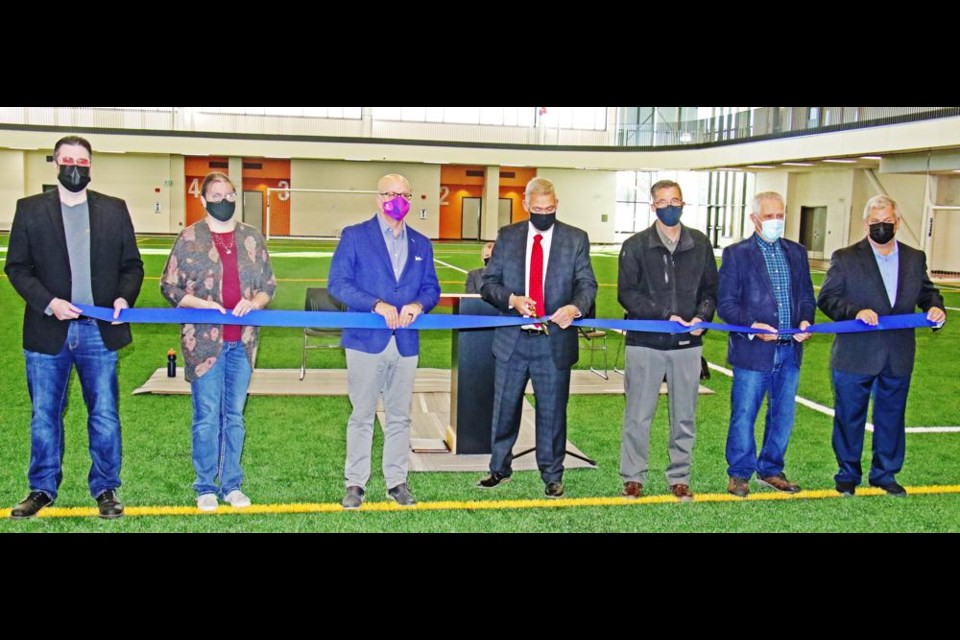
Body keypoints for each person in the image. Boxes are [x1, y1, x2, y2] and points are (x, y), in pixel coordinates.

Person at [5, 135, 144, 520]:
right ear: (55, 163)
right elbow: (16, 267)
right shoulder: (29, 210)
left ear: (91, 166)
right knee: (45, 414)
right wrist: (48, 303)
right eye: (67, 160)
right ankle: (41, 488)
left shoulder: (114, 210)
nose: (74, 167)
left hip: (99, 331)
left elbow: (131, 266)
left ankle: (105, 487)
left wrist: (122, 298)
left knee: (104, 414)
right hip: (47, 331)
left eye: (82, 161)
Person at [161, 172, 276, 512]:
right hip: (204, 345)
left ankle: (232, 484)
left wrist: (253, 303)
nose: (223, 200)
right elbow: (169, 287)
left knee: (235, 416)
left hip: (242, 343)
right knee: (207, 416)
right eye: (216, 194)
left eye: (229, 194)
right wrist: (204, 305)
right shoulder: (189, 237)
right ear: (203, 198)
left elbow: (268, 285)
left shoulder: (252, 238)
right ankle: (205, 486)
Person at [477, 177, 598, 498]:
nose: (544, 213)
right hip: (512, 341)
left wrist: (574, 307)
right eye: (537, 209)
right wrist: (512, 299)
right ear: (526, 206)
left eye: (550, 208)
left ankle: (552, 473)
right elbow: (488, 284)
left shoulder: (575, 239)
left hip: (553, 341)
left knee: (553, 411)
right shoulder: (508, 237)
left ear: (556, 205)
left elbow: (587, 284)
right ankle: (499, 467)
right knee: (504, 408)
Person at [818, 194, 945, 497]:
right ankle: (847, 474)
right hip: (854, 353)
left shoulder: (915, 258)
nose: (881, 227)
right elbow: (827, 298)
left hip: (898, 354)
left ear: (898, 222)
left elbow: (927, 293)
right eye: (875, 222)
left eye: (887, 222)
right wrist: (855, 312)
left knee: (891, 416)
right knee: (849, 416)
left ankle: (885, 474)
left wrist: (935, 307)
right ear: (865, 224)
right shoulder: (845, 257)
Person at [328, 174, 441, 509]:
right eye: (392, 194)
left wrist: (419, 305)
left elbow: (432, 288)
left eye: (405, 194)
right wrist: (376, 304)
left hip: (405, 342)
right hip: (366, 340)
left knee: (399, 416)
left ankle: (397, 481)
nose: (399, 200)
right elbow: (338, 284)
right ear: (378, 198)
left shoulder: (422, 243)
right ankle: (355, 483)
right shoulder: (354, 236)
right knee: (361, 414)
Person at [618, 180, 718, 502]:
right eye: (662, 201)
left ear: (683, 203)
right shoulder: (635, 246)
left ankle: (680, 476)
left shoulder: (700, 244)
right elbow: (627, 294)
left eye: (675, 200)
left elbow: (710, 291)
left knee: (684, 415)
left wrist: (702, 317)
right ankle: (633, 476)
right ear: (653, 206)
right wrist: (665, 315)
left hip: (687, 345)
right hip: (645, 342)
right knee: (638, 414)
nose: (669, 206)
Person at [717, 192, 816, 498]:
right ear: (754, 219)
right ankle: (740, 473)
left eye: (780, 215)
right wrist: (752, 327)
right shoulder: (736, 254)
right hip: (753, 351)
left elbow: (806, 297)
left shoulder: (796, 252)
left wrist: (804, 322)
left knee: (783, 414)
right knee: (744, 412)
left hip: (789, 350)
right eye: (769, 216)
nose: (776, 221)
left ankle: (772, 469)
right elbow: (726, 304)